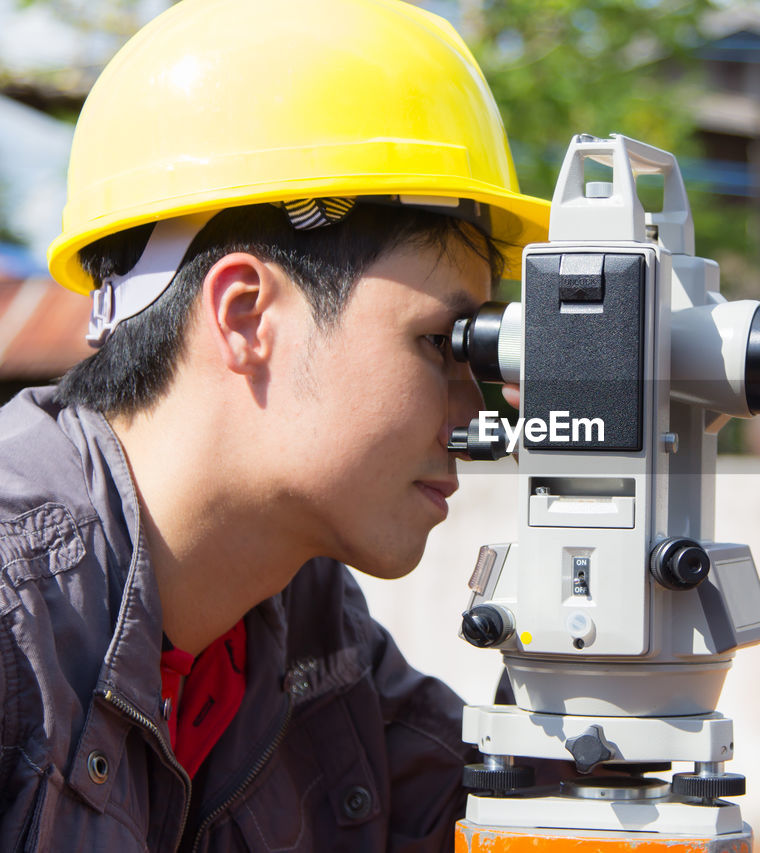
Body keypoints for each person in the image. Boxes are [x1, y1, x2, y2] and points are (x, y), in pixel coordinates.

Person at [0, 0, 549, 849]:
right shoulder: (14, 622)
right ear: (248, 316)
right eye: (441, 343)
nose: (475, 411)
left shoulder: (308, 635)